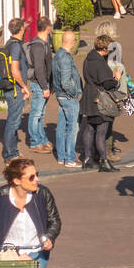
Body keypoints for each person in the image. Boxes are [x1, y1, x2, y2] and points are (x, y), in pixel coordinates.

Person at [81, 34, 124, 172]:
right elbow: (107, 84)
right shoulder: (99, 63)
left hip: (88, 96)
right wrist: (116, 78)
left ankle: (88, 159)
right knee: (101, 131)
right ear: (104, 49)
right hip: (100, 99)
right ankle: (104, 161)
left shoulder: (88, 58)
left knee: (89, 128)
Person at [1, 17, 31, 163]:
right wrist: (24, 87)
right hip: (15, 89)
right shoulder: (16, 46)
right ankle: (10, 155)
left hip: (10, 87)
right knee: (13, 122)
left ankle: (13, 152)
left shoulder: (8, 43)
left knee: (13, 120)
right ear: (21, 29)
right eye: (24, 27)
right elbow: (15, 70)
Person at [52, 30, 82, 168]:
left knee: (61, 126)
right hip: (68, 96)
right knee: (72, 127)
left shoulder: (57, 55)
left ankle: (61, 156)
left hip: (60, 95)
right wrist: (75, 92)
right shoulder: (65, 57)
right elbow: (65, 81)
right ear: (73, 42)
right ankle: (70, 158)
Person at [24, 16, 54, 153]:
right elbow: (39, 68)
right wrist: (44, 87)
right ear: (48, 27)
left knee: (40, 114)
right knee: (36, 114)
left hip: (42, 84)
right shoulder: (38, 46)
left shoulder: (44, 43)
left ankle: (42, 139)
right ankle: (35, 142)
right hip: (38, 84)